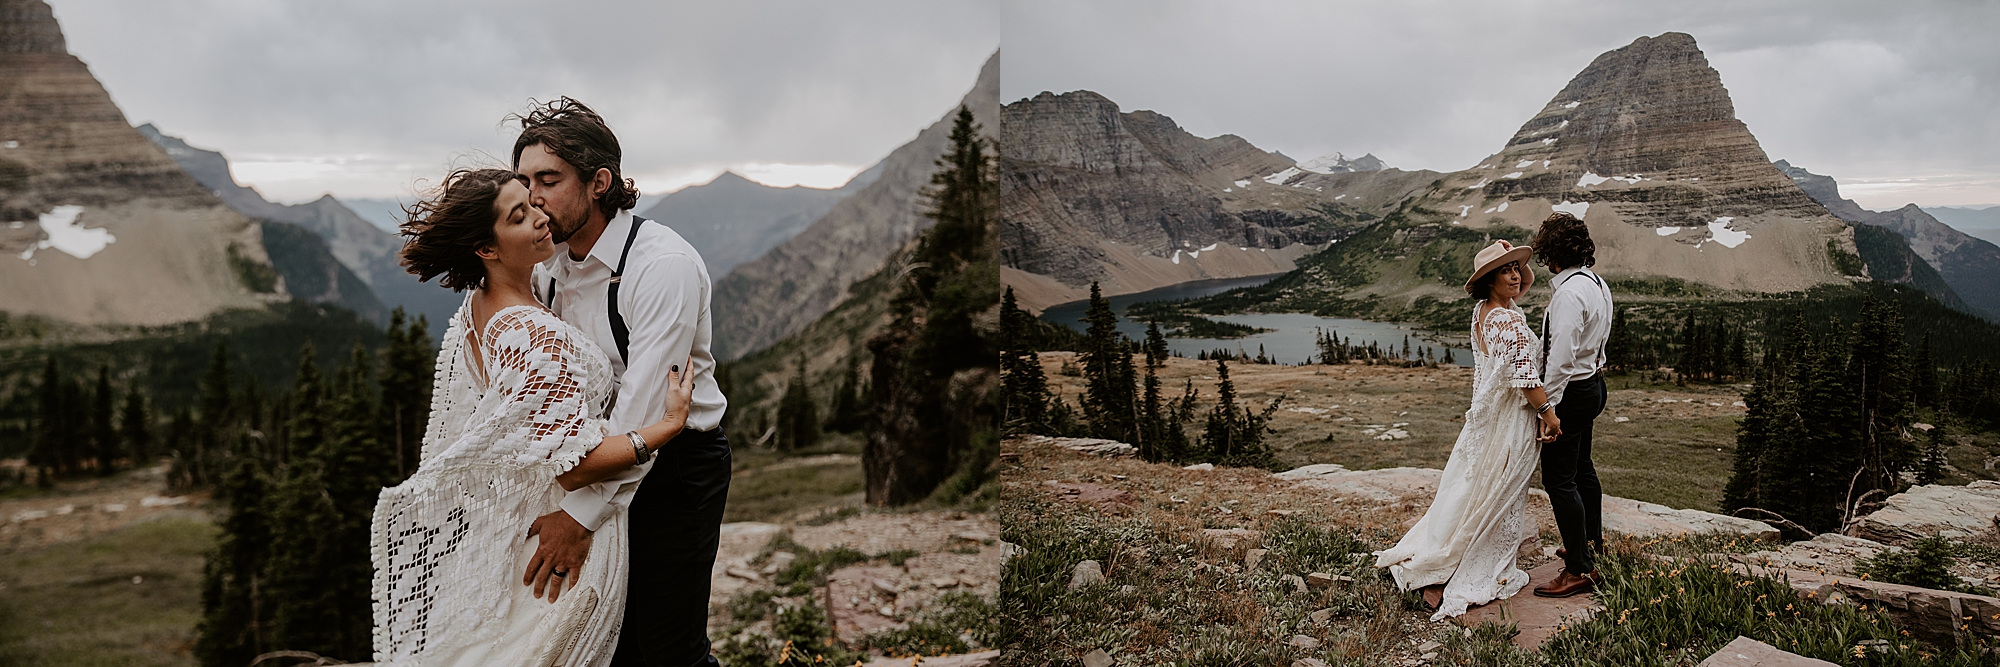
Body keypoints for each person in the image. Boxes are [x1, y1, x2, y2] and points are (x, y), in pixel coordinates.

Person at [368, 168, 695, 666]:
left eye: (534, 203)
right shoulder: (529, 332)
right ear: (487, 249)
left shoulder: (481, 309)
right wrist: (664, 428)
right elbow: (577, 464)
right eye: (519, 216)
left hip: (530, 522)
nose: (541, 218)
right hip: (567, 521)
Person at [512, 98, 732, 667]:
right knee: (606, 641)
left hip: (677, 463)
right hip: (595, 459)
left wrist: (577, 519)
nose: (532, 196)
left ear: (599, 182)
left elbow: (645, 411)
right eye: (523, 181)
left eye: (549, 179)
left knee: (668, 648)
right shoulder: (548, 267)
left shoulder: (661, 267)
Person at [1372, 239, 1562, 620]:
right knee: (1500, 491)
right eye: (1505, 270)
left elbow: (1521, 288)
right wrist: (1547, 411)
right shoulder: (1506, 319)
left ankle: (1443, 561)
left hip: (1489, 417)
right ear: (1489, 280)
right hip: (1512, 417)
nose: (1515, 276)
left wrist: (1512, 265)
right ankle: (1461, 569)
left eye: (1515, 269)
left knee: (1476, 487)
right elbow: (1524, 375)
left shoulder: (1484, 312)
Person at [1529, 211, 1613, 598]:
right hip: (1595, 384)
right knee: (1583, 468)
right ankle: (1590, 540)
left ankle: (1579, 567)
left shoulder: (1567, 294)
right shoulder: (1597, 283)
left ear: (1551, 255)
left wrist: (1549, 411)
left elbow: (1560, 359)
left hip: (1573, 393)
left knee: (1559, 480)